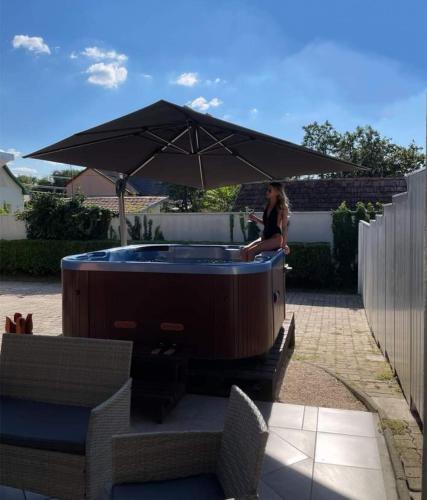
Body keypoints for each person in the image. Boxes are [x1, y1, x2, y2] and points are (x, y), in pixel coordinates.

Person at [240, 182, 290, 261]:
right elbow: (268, 224)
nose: (267, 192)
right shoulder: (268, 205)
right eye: (267, 190)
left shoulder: (282, 207)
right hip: (265, 236)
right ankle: (246, 269)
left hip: (275, 238)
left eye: (270, 190)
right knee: (244, 250)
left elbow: (284, 227)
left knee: (251, 252)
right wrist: (256, 219)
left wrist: (284, 244)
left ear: (277, 192)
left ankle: (250, 269)